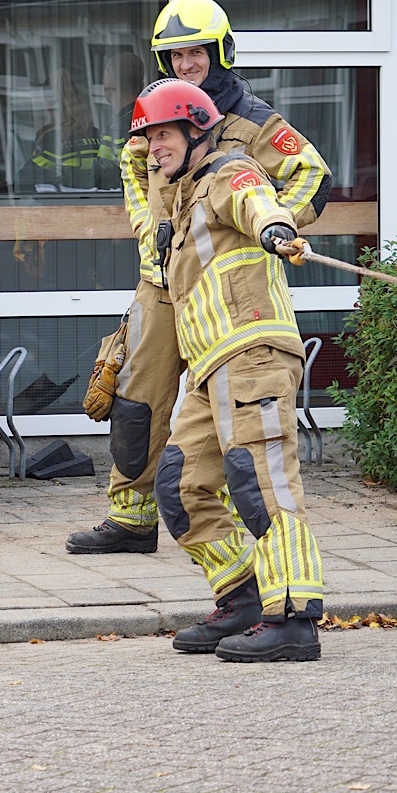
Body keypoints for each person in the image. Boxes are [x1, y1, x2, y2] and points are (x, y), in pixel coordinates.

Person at [68, 0, 329, 555]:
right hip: (162, 286)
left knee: (231, 408)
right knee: (135, 399)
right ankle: (131, 519)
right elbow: (134, 170)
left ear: (221, 52)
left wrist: (268, 225)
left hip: (225, 292)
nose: (186, 64)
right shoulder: (157, 112)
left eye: (197, 53)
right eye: (176, 55)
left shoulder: (254, 121)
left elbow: (312, 175)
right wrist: (150, 236)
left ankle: (227, 523)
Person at [130, 78, 324, 661]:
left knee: (263, 484)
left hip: (252, 355)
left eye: (164, 135)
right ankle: (243, 599)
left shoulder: (227, 172)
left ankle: (294, 617)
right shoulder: (181, 198)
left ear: (197, 131)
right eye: (149, 138)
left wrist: (275, 227)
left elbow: (255, 200)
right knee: (180, 486)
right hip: (210, 366)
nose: (154, 148)